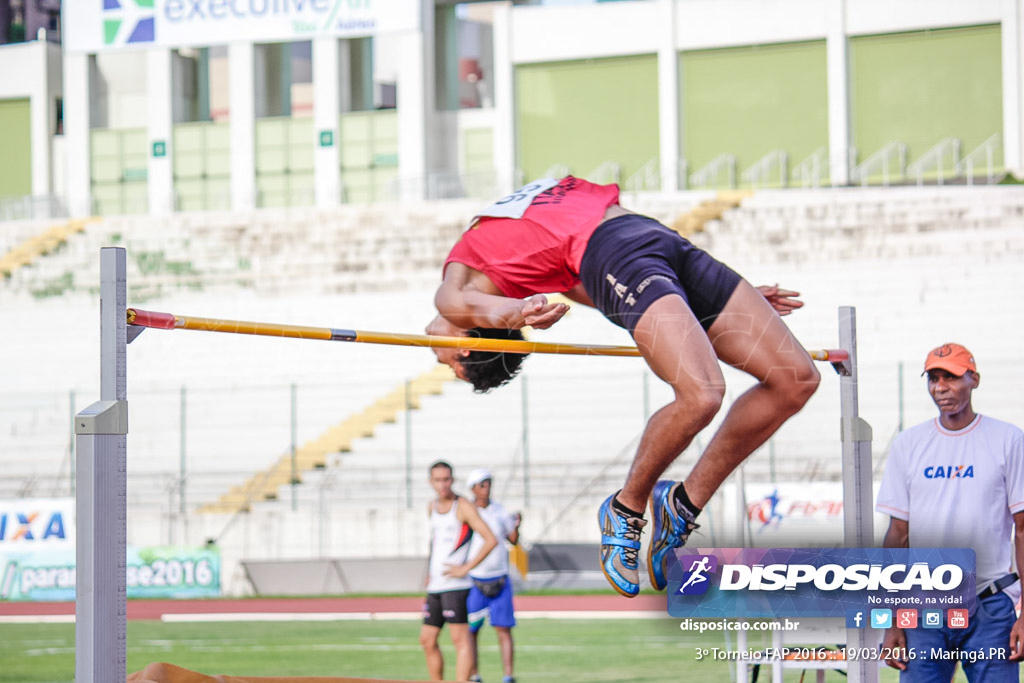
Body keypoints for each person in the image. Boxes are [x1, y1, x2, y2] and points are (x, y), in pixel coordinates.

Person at [426, 175, 820, 597]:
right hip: (629, 252)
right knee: (704, 394)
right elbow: (491, 303)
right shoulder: (484, 282)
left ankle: (669, 504)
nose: (438, 353)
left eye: (446, 361)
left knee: (795, 381)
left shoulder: (476, 283)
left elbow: (479, 310)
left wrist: (516, 313)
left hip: (647, 240)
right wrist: (516, 312)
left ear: (465, 346)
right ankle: (633, 507)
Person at [876, 343, 1024, 681]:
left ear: (974, 379)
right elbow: (897, 536)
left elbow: (1023, 530)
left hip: (989, 607)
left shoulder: (1008, 440)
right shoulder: (908, 444)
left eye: (952, 377)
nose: (941, 387)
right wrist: (893, 620)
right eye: (933, 378)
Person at [421, 461, 498, 681]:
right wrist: (430, 570)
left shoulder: (462, 506)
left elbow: (490, 539)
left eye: (446, 479)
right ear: (431, 482)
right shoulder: (431, 507)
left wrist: (466, 567)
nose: (442, 484)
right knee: (427, 639)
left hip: (455, 587)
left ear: (452, 480)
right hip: (436, 584)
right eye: (437, 480)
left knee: (460, 640)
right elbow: (435, 543)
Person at [463, 468, 521, 683]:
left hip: (500, 578)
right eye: (482, 484)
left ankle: (508, 676)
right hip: (474, 579)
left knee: (503, 629)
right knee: (472, 631)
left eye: (488, 483)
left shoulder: (499, 510)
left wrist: (517, 525)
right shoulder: (466, 511)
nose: (486, 488)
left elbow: (512, 539)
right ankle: (474, 674)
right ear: (473, 488)